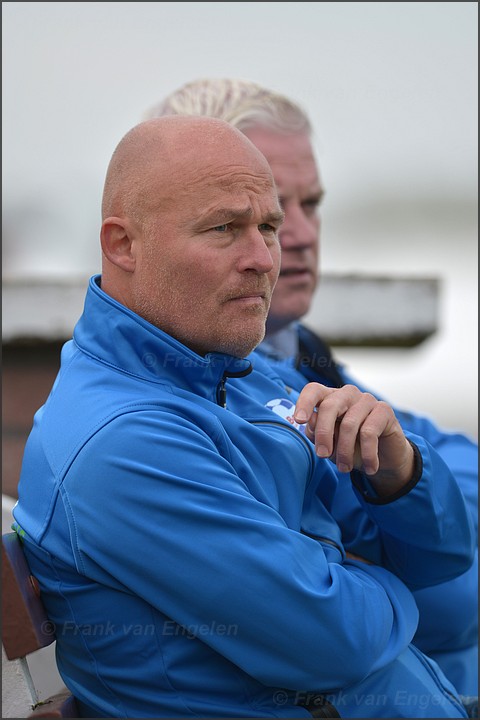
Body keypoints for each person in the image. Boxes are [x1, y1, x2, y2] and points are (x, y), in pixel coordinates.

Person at [13, 116, 474, 719]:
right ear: (123, 244)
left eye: (268, 227)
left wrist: (399, 472)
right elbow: (334, 643)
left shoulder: (237, 374)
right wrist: (374, 577)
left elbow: (441, 561)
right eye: (224, 228)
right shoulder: (123, 442)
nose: (262, 259)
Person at [145, 78, 479, 702]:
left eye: (308, 205)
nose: (295, 234)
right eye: (255, 215)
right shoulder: (215, 395)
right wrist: (426, 509)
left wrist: (417, 480)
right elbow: (434, 597)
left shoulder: (297, 350)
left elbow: (447, 453)